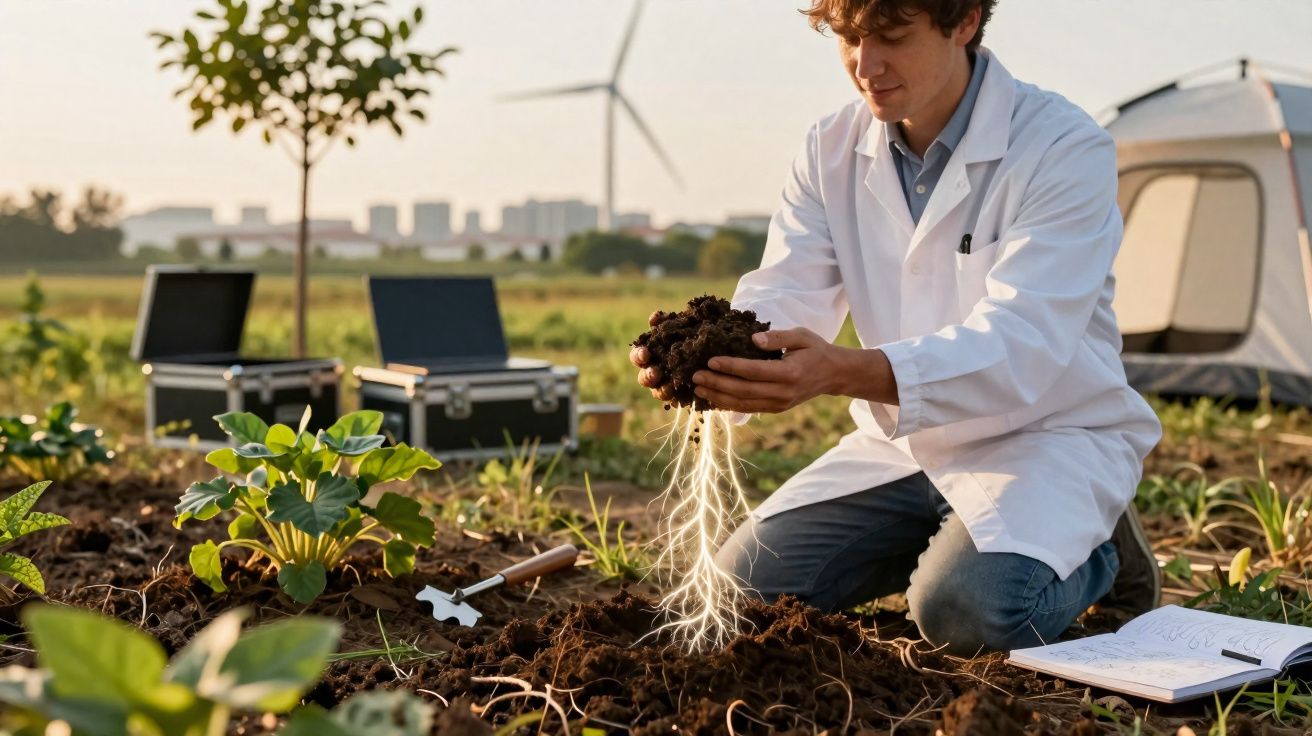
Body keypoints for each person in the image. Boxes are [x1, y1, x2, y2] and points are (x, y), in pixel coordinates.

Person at [628, 0, 1162, 657]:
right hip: (903, 446)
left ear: (963, 21)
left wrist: (838, 371)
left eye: (890, 37)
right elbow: (791, 288)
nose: (864, 65)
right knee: (741, 601)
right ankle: (962, 541)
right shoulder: (830, 150)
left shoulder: (1061, 147)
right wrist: (714, 356)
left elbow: (1022, 344)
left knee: (968, 615)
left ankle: (1099, 543)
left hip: (1043, 437)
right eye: (849, 38)